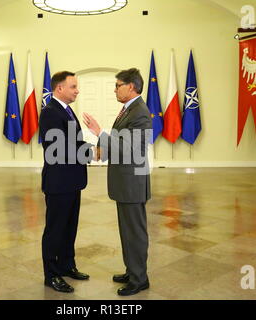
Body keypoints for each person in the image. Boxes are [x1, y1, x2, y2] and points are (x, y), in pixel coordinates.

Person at [82, 68, 152, 296]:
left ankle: (139, 279)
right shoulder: (128, 110)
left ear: (131, 86)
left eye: (118, 85)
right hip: (125, 181)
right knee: (127, 230)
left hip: (132, 182)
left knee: (135, 232)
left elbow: (131, 149)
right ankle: (132, 270)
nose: (115, 89)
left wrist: (99, 132)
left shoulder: (139, 112)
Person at [39, 71, 94, 293]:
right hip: (59, 182)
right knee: (55, 230)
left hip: (72, 181)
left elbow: (72, 141)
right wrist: (91, 151)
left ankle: (66, 265)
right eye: (73, 86)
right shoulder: (50, 112)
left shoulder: (67, 110)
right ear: (59, 88)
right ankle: (51, 275)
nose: (77, 90)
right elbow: (58, 148)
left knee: (69, 227)